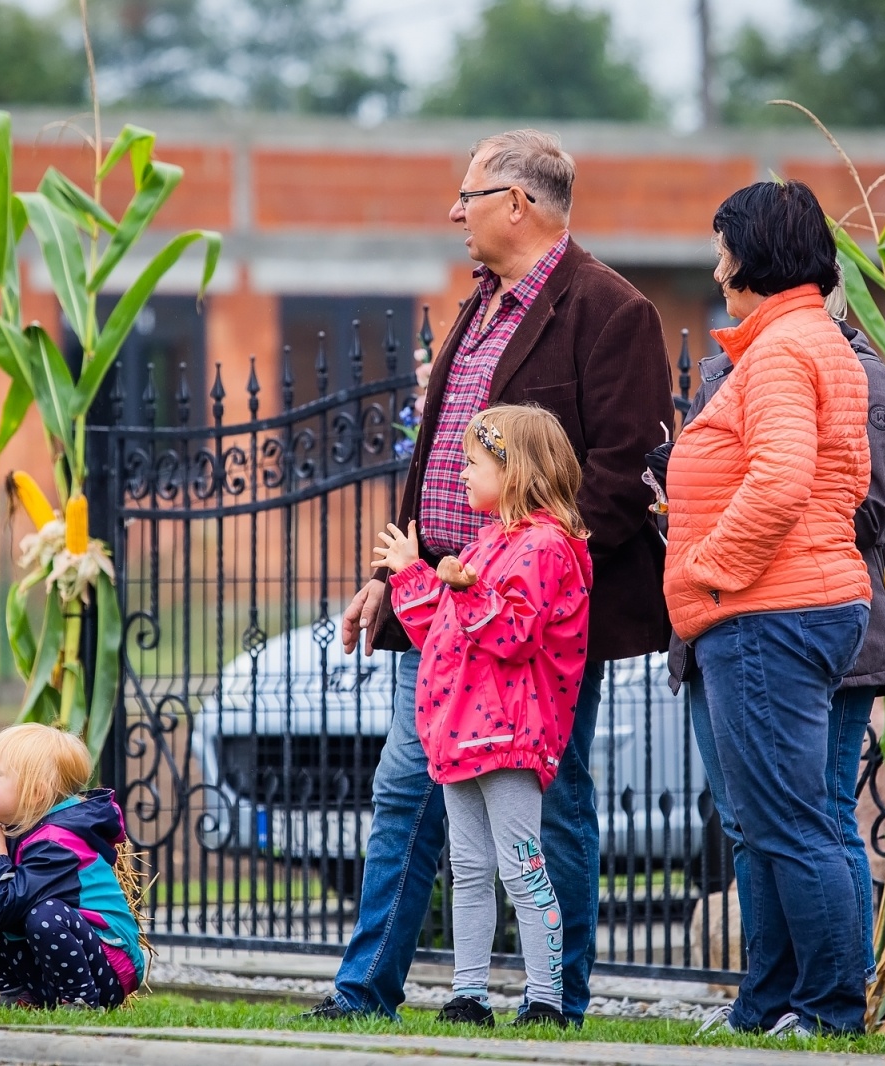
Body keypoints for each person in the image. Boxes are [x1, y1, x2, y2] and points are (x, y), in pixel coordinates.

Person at [311, 129, 673, 1025]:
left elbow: (625, 472)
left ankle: (558, 1000)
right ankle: (368, 992)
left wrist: (530, 573)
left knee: (553, 805)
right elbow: (439, 463)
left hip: (533, 623)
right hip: (439, 609)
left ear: (518, 203)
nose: (454, 211)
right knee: (408, 788)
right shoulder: (476, 305)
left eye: (467, 195)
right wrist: (396, 580)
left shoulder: (610, 310)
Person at [652, 275, 885, 1035]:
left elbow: (828, 500)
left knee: (816, 819)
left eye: (725, 258)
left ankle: (831, 1005)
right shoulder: (753, 357)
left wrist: (707, 562)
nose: (717, 275)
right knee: (758, 823)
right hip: (738, 614)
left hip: (786, 611)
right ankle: (770, 1002)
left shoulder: (824, 362)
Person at [374, 405, 593, 1029]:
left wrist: (464, 588)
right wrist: (415, 575)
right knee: (468, 870)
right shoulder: (488, 541)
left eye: (473, 462)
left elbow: (514, 634)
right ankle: (469, 994)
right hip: (463, 735)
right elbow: (445, 633)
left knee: (523, 866)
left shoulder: (547, 546)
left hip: (509, 735)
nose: (462, 473)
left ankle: (547, 1000)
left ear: (515, 470)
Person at [0, 724, 144, 1009]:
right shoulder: (9, 830)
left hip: (107, 966)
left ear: (35, 794)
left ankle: (81, 1003)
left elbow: (4, 908)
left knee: (45, 914)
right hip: (49, 969)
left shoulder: (59, 842)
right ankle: (19, 994)